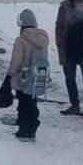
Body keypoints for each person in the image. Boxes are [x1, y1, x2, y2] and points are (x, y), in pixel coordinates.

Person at [7, 9, 49, 141]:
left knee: (23, 103)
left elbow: (16, 60)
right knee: (32, 102)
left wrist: (10, 74)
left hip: (22, 77)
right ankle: (32, 126)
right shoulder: (43, 39)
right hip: (37, 76)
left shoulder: (21, 40)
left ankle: (24, 129)